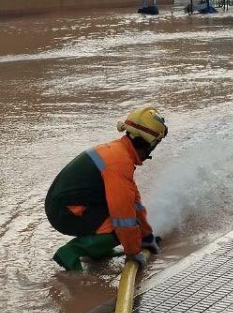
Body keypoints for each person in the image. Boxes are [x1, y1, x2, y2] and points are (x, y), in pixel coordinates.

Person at [45, 106, 168, 272]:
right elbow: (123, 216)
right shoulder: (119, 162)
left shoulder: (120, 152)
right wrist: (133, 251)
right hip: (66, 213)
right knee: (121, 228)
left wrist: (146, 236)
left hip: (70, 206)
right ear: (149, 143)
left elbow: (134, 202)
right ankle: (71, 252)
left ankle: (97, 250)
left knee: (130, 225)